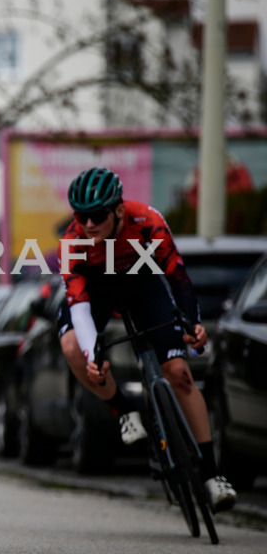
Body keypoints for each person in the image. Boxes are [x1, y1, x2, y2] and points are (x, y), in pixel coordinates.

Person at [57, 167, 236, 512]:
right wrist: (92, 355)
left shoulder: (147, 220)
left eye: (98, 216)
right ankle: (124, 410)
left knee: (179, 373)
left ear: (119, 210)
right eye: (82, 216)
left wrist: (193, 325)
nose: (89, 224)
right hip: (96, 293)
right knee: (71, 348)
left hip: (142, 285)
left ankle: (212, 476)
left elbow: (177, 276)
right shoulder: (72, 242)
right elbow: (79, 308)